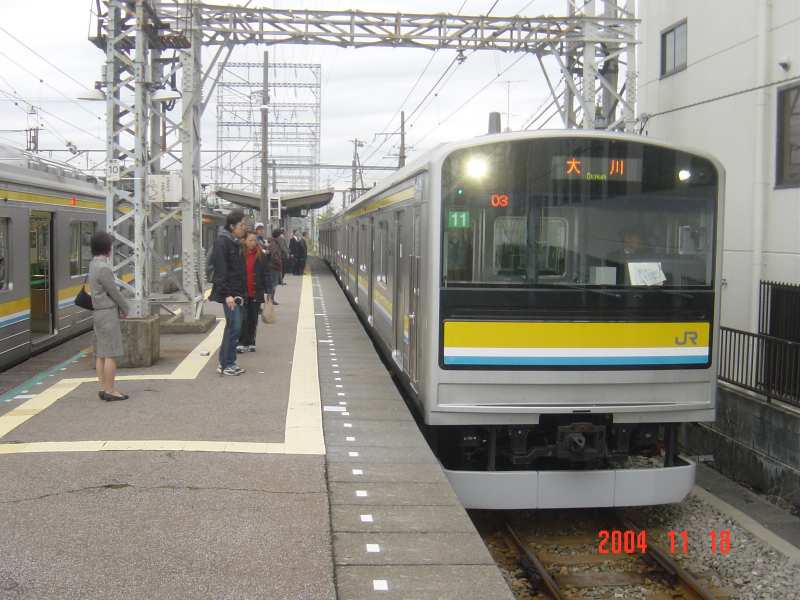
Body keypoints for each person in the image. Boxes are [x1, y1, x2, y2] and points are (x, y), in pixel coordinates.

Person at [88, 231, 130, 401]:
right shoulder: (104, 268)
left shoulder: (93, 264)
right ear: (107, 248)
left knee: (101, 353)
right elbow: (114, 292)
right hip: (107, 314)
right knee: (111, 353)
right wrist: (125, 308)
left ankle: (103, 388)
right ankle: (110, 390)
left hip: (98, 313)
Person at [211, 210, 247, 376]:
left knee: (233, 327)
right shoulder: (222, 242)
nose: (244, 228)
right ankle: (227, 364)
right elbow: (221, 270)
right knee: (234, 327)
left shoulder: (234, 242)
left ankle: (226, 362)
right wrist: (227, 295)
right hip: (230, 294)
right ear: (232, 226)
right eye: (241, 225)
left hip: (237, 292)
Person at [237, 230, 271, 353]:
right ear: (244, 241)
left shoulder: (261, 255)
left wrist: (269, 291)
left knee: (253, 318)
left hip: (256, 291)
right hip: (242, 292)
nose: (253, 243)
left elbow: (266, 273)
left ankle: (251, 341)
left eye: (255, 240)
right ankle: (242, 342)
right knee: (243, 318)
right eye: (250, 240)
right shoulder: (239, 255)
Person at [266, 230, 283, 305]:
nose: (281, 237)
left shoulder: (275, 243)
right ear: (278, 236)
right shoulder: (274, 244)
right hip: (273, 267)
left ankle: (271, 299)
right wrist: (279, 262)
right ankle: (270, 300)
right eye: (280, 236)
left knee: (274, 284)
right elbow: (274, 256)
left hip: (274, 266)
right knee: (273, 284)